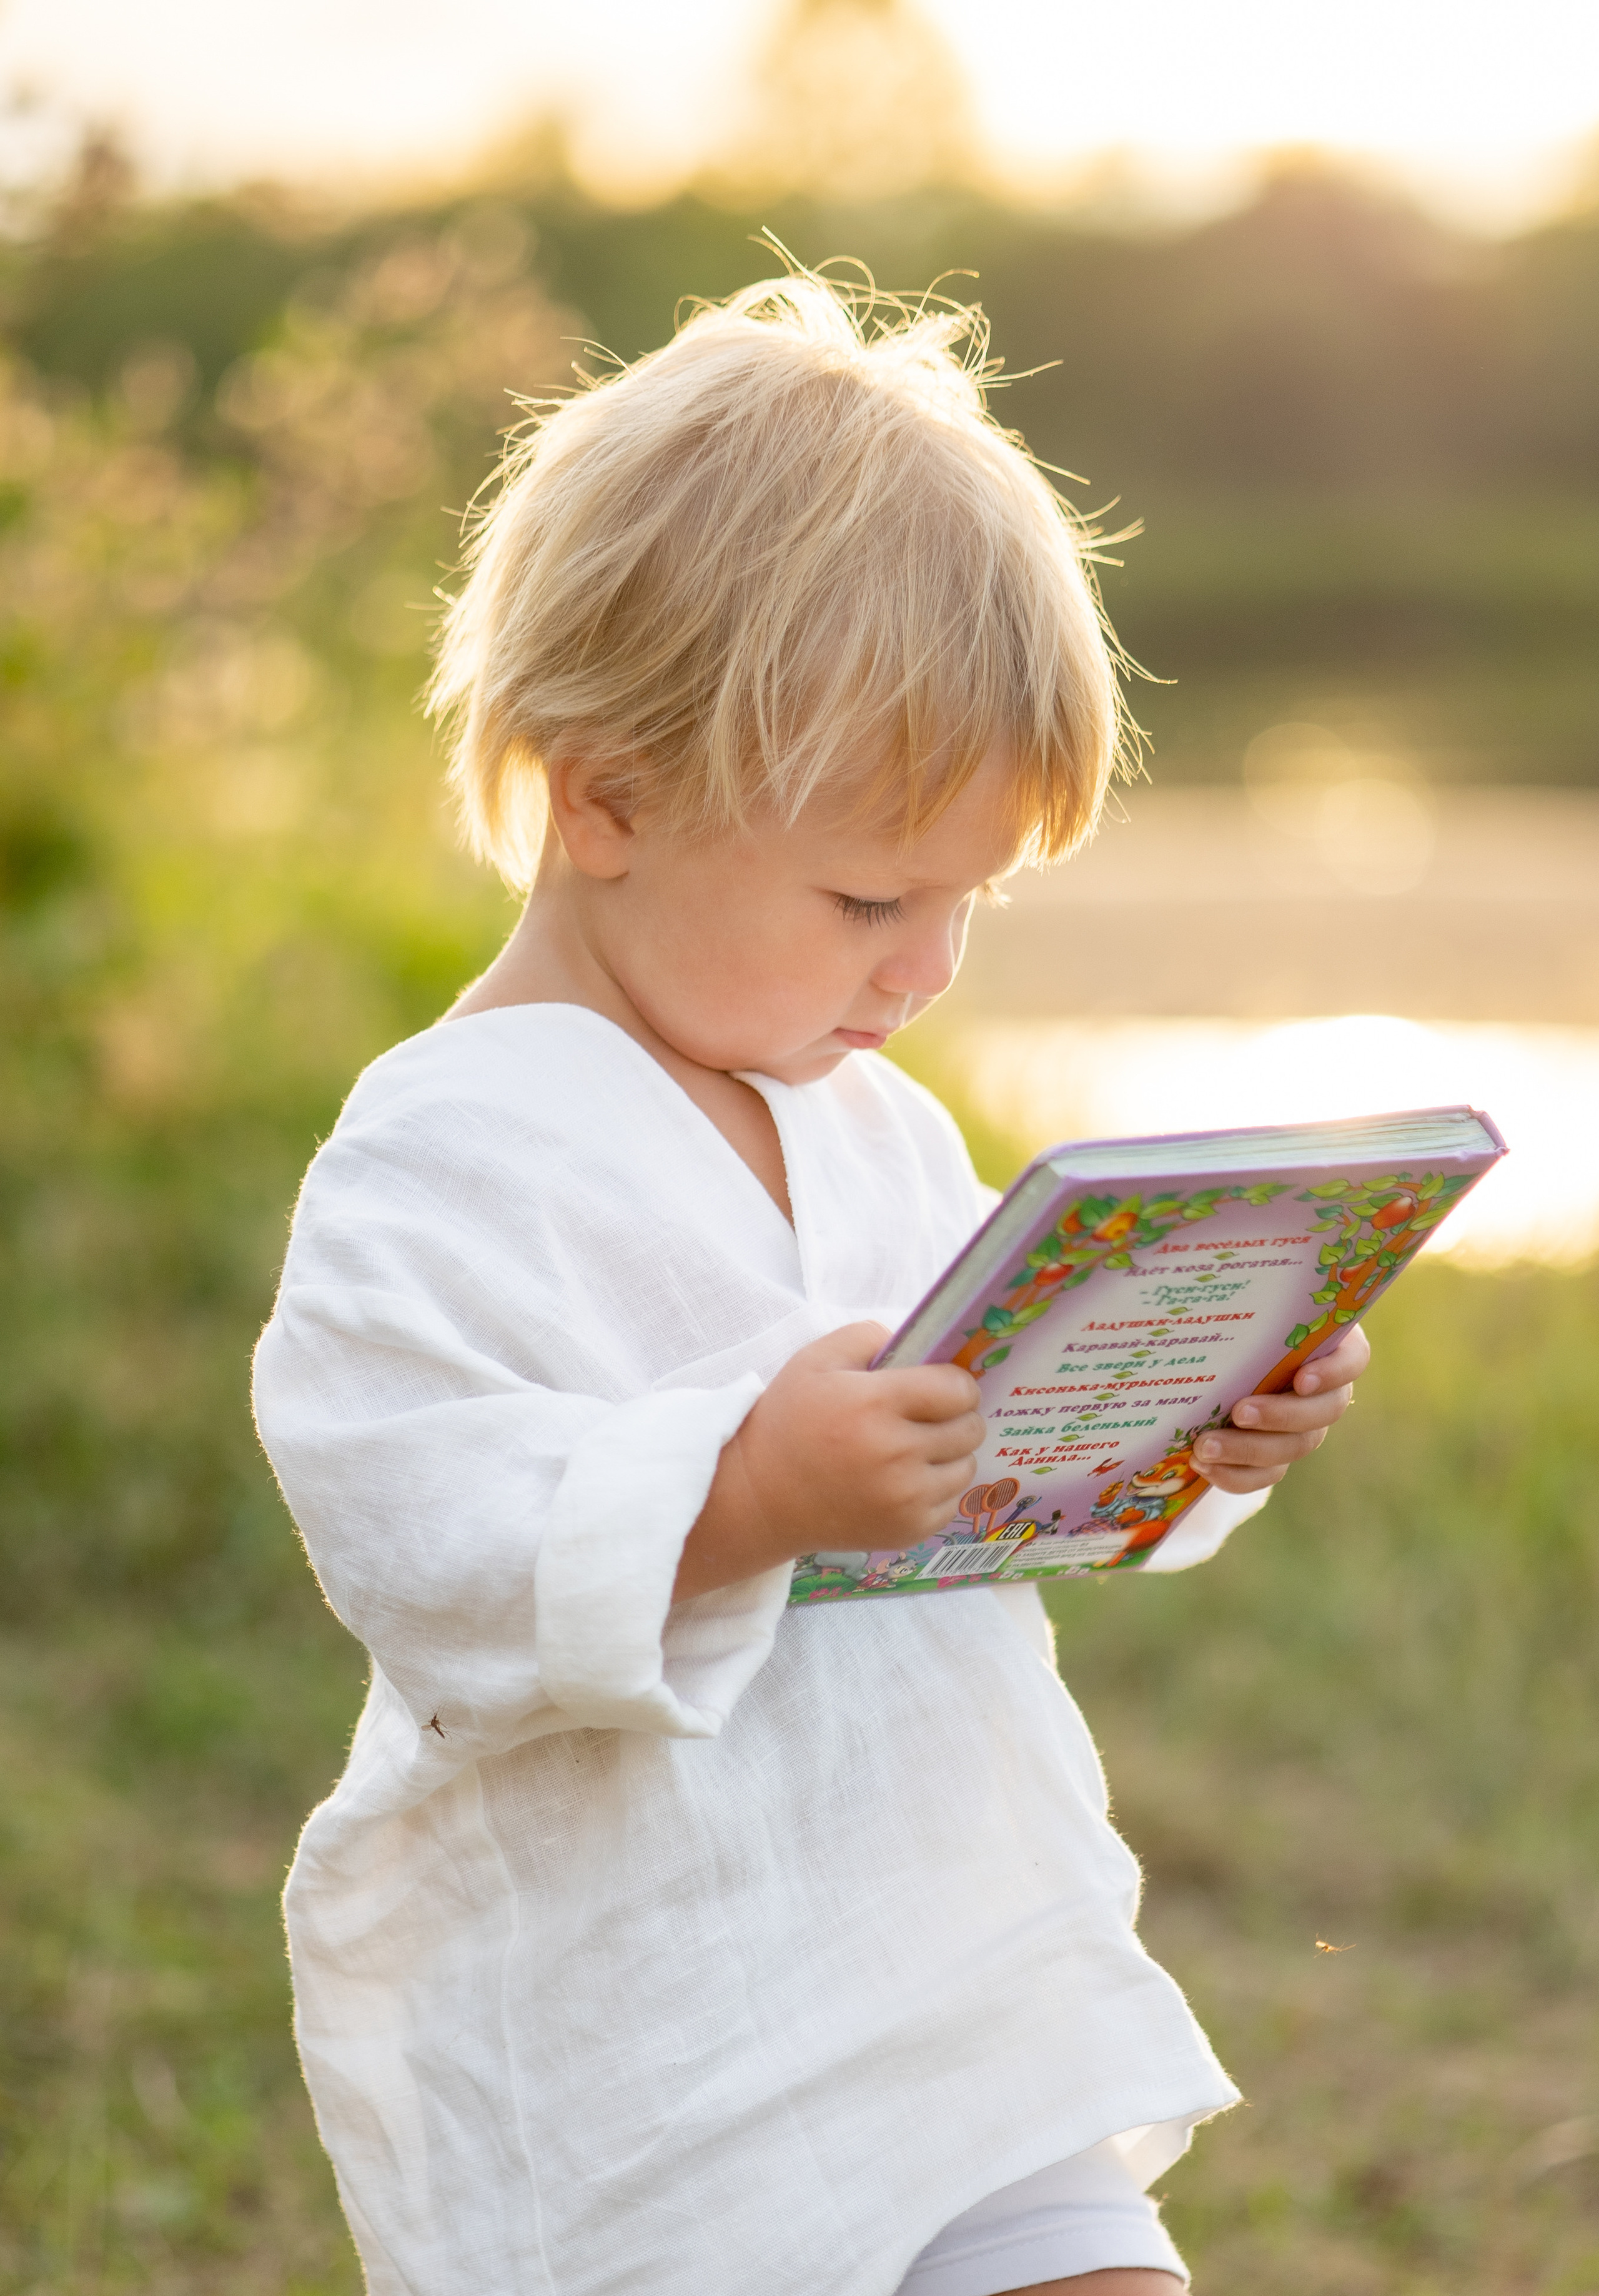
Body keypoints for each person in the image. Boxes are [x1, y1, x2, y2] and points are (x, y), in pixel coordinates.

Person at [252, 269, 1370, 2296]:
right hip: (653, 2048)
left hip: (949, 1966)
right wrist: (745, 1491)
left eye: (967, 902)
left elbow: (995, 1463)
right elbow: (409, 1519)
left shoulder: (878, 1130)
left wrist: (1196, 1407)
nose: (924, 969)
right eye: (870, 896)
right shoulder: (446, 1152)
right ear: (604, 795)